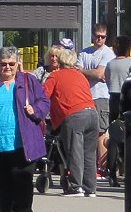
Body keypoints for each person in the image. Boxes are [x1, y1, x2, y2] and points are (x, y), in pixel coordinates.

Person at [0, 47, 51, 212]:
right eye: (3, 64)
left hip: (23, 142)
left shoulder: (29, 81)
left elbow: (44, 101)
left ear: (18, 63)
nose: (8, 68)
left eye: (11, 64)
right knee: (1, 181)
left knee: (23, 178)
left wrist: (36, 110)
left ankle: (24, 209)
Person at [42, 45, 98, 196]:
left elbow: (43, 95)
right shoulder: (80, 76)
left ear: (59, 61)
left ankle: (75, 186)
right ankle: (90, 188)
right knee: (89, 153)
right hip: (92, 113)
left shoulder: (55, 76)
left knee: (75, 151)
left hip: (74, 115)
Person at [79, 26, 115, 181]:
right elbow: (76, 71)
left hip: (101, 97)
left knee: (100, 132)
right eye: (97, 36)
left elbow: (101, 73)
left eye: (103, 36)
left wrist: (83, 71)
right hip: (85, 96)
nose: (100, 39)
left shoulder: (108, 53)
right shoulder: (84, 52)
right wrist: (91, 73)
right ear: (92, 36)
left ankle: (102, 168)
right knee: (87, 133)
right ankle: (91, 167)